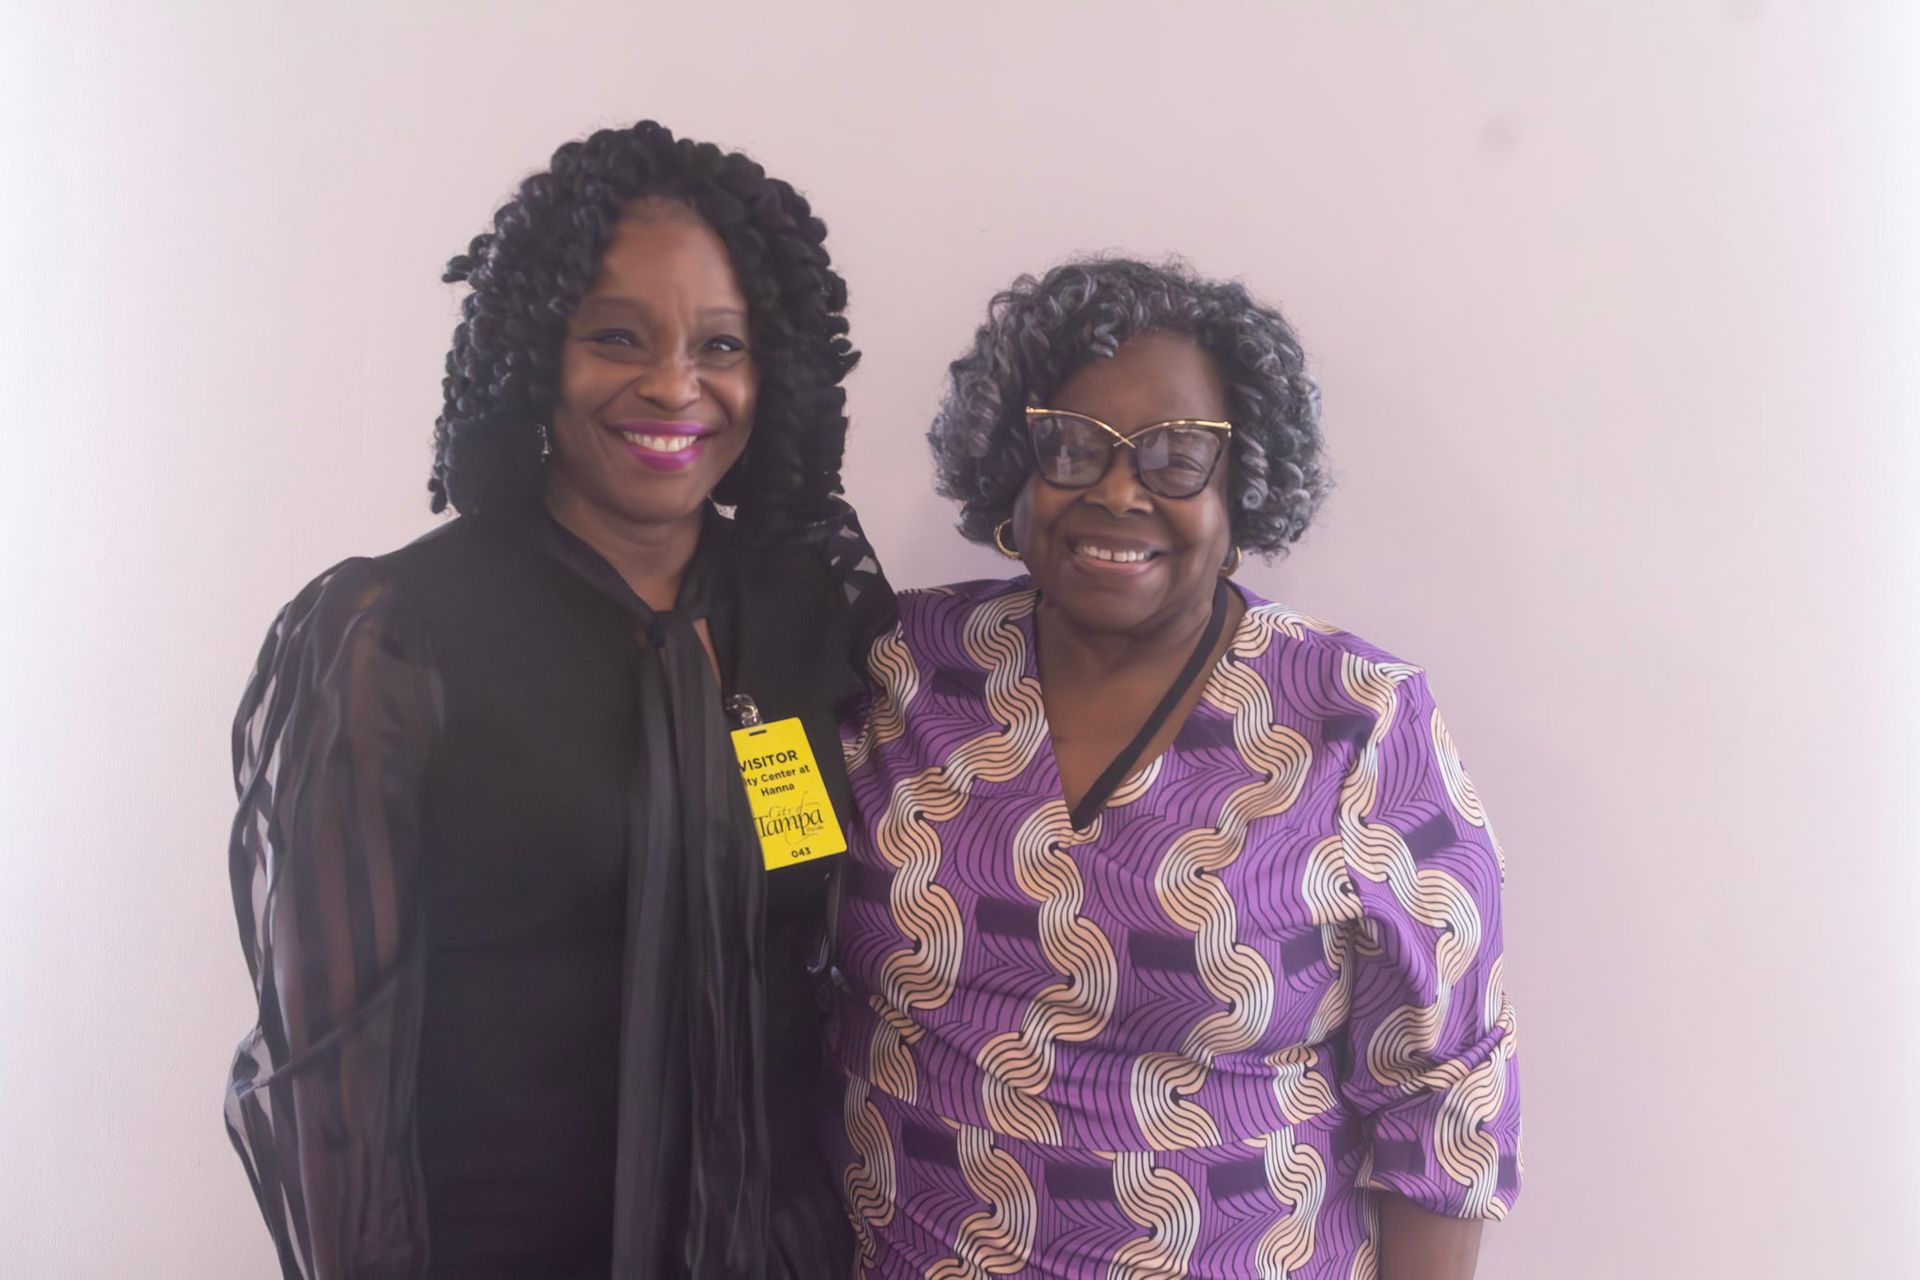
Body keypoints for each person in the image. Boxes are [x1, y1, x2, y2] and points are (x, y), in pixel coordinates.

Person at [223, 121, 889, 1278]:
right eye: (617, 336)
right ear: (538, 351)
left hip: (774, 1245)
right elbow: (328, 1066)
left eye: (720, 344)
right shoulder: (394, 634)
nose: (676, 385)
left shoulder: (805, 607)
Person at [826, 259, 1520, 1278]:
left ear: (1244, 487)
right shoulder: (905, 663)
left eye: (1176, 455)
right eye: (1072, 447)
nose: (1117, 490)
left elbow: (1444, 1099)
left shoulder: (1356, 719)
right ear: (1013, 470)